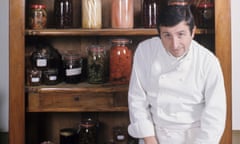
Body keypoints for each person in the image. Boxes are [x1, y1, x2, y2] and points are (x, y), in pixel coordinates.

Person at [127, 5, 226, 144]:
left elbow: (215, 115)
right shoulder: (145, 52)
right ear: (159, 34)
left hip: (195, 138)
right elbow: (137, 100)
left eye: (181, 34)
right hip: (154, 135)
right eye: (167, 35)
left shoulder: (208, 62)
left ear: (193, 32)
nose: (174, 44)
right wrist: (149, 139)